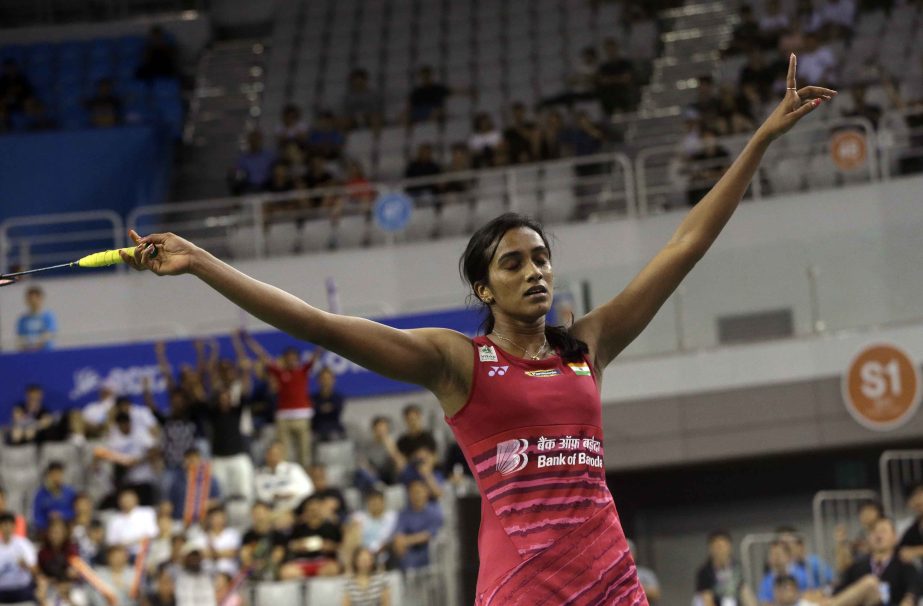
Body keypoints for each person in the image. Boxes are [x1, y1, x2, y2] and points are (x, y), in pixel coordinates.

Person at [118, 54, 834, 603]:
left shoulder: (586, 347)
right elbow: (315, 323)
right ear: (483, 286)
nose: (535, 272)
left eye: (542, 258)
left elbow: (684, 246)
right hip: (520, 589)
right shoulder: (454, 362)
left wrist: (760, 140)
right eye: (514, 262)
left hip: (610, 584)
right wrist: (202, 260)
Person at [243, 335, 319, 468]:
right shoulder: (279, 373)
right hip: (283, 417)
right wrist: (248, 340)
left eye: (293, 358)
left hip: (302, 416)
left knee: (304, 453)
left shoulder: (303, 371)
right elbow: (263, 356)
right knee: (284, 453)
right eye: (288, 358)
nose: (291, 361)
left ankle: (305, 479)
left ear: (297, 359)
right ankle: (286, 476)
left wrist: (325, 335)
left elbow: (316, 354)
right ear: (284, 360)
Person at [835, 517, 923, 606]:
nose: (878, 535)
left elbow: (913, 592)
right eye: (873, 531)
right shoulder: (857, 566)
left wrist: (909, 600)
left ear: (895, 537)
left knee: (870, 584)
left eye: (883, 531)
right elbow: (840, 589)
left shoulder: (904, 565)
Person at [280, 495, 342, 579]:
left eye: (316, 510)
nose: (313, 513)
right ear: (306, 511)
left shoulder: (330, 527)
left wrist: (328, 546)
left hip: (322, 561)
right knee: (286, 572)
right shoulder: (298, 528)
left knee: (333, 569)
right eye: (311, 510)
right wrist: (298, 545)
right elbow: (290, 545)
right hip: (302, 562)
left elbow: (338, 545)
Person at [254, 440, 314, 517]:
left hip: (295, 509)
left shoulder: (294, 468)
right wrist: (273, 496)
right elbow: (259, 494)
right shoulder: (259, 474)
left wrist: (292, 494)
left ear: (282, 454)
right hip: (271, 510)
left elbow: (308, 488)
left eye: (276, 453)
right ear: (266, 455)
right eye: (271, 453)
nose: (273, 457)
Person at [696, 530, 757, 606]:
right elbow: (707, 600)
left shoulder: (737, 568)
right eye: (718, 547)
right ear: (711, 549)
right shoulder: (705, 572)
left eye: (724, 546)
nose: (721, 550)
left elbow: (744, 591)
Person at [391, 480, 442, 571]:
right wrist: (399, 542)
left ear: (426, 493)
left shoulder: (435, 511)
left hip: (429, 549)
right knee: (398, 549)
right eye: (413, 493)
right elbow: (398, 533)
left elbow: (429, 534)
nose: (416, 496)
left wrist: (407, 540)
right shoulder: (404, 513)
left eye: (419, 492)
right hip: (409, 551)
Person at [241, 500, 286, 581]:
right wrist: (253, 564)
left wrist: (265, 564)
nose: (259, 516)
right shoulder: (248, 536)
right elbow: (245, 555)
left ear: (268, 513)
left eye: (261, 513)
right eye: (256, 513)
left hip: (272, 568)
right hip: (254, 568)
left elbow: (278, 555)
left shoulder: (277, 535)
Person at [0, 512, 37, 604]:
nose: (7, 528)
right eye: (4, 525)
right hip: (2, 591)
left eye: (10, 525)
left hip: (22, 590)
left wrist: (25, 565)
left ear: (14, 527)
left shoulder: (24, 544)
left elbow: (35, 570)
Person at [32, 462, 77, 534]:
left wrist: (61, 515)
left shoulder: (70, 493)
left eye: (58, 474)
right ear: (48, 476)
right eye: (53, 474)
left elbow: (74, 512)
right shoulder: (40, 494)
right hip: (47, 530)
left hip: (66, 529)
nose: (56, 478)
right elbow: (37, 515)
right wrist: (48, 520)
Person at [230, 130, 277, 194]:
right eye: (252, 140)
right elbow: (237, 172)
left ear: (261, 141)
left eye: (257, 140)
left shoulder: (269, 155)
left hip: (267, 185)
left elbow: (278, 166)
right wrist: (233, 171)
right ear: (249, 142)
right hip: (250, 187)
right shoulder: (243, 158)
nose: (255, 142)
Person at [17, 285, 57, 351]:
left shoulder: (48, 317)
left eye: (35, 298)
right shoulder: (22, 319)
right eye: (30, 299)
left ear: (41, 298)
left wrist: (35, 344)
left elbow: (49, 335)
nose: (33, 301)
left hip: (45, 353)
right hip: (27, 353)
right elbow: (20, 338)